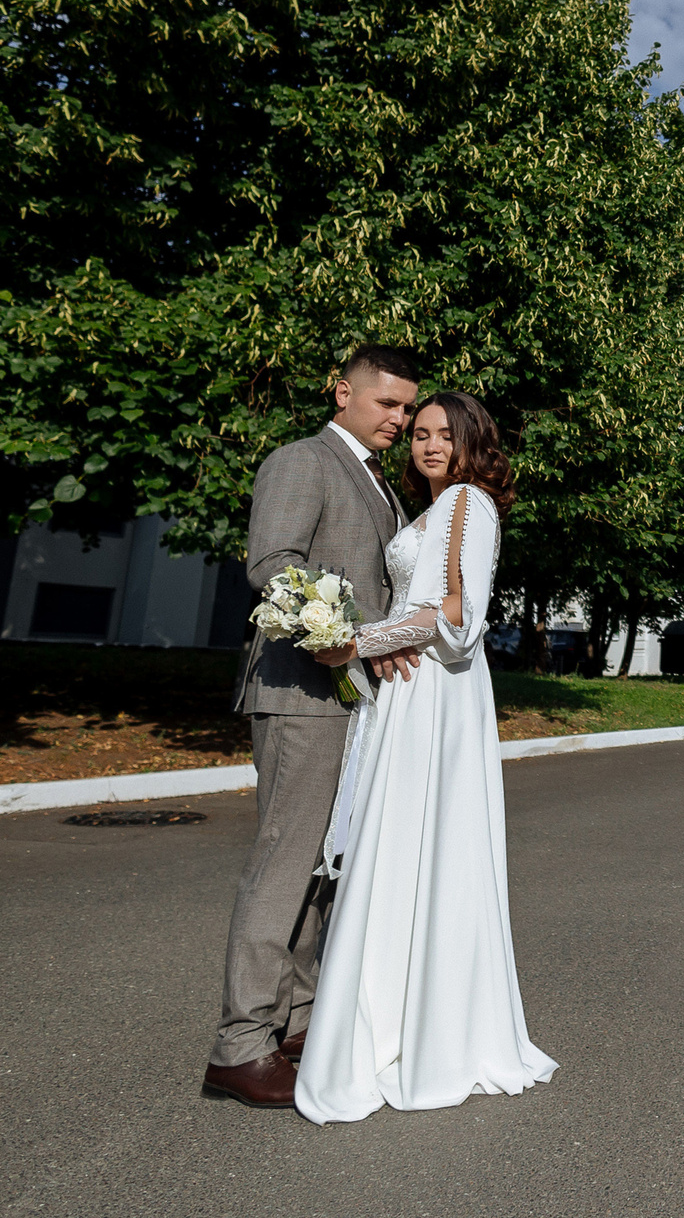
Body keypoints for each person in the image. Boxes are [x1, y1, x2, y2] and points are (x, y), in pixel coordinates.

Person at [294, 390, 556, 1123]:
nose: (429, 445)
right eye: (421, 434)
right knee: (404, 849)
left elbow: (459, 613)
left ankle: (423, 1030)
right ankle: (396, 1016)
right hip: (412, 695)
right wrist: (369, 647)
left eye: (446, 434)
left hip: (438, 696)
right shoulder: (435, 510)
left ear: (473, 443)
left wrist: (361, 643)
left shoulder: (469, 502)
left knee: (422, 847)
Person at [203, 343, 421, 1110]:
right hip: (300, 690)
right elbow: (275, 565)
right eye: (386, 403)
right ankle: (238, 1046)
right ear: (343, 392)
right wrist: (342, 635)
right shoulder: (302, 460)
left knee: (326, 871)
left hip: (351, 699)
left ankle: (295, 1024)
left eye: (406, 405)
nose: (400, 417)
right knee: (286, 863)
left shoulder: (377, 480)